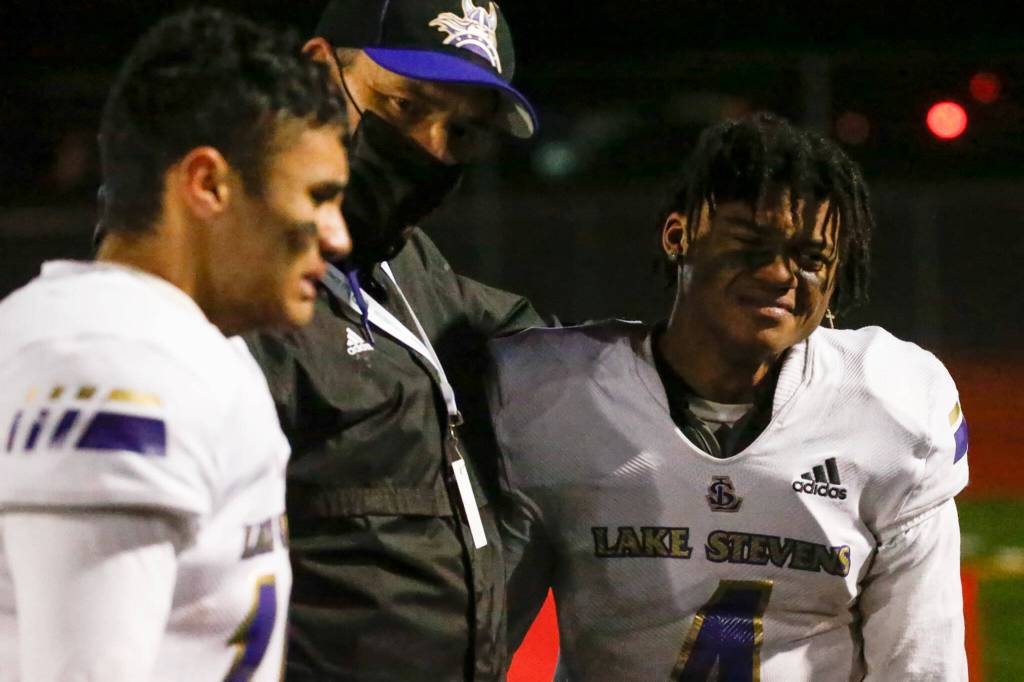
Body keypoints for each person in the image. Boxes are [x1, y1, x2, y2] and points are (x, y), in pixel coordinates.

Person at [488, 113, 969, 681]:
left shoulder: (891, 406)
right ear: (679, 236)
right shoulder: (551, 394)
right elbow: (475, 639)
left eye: (811, 258)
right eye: (751, 245)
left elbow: (922, 663)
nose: (780, 274)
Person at [0, 8, 350, 681]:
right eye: (318, 196)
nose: (337, 236)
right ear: (208, 183)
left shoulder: (185, 343)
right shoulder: (113, 361)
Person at [244, 0, 542, 678]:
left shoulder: (403, 261)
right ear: (319, 71)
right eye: (405, 106)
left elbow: (544, 350)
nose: (430, 149)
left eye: (461, 132)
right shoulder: (232, 293)